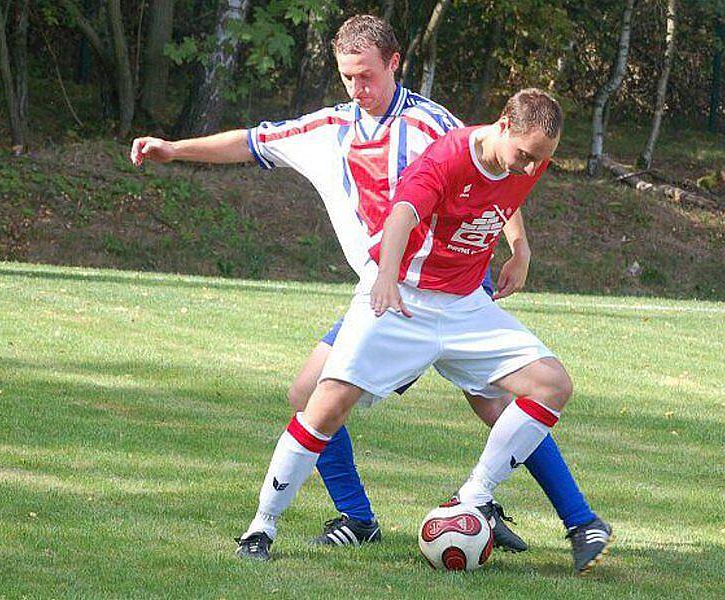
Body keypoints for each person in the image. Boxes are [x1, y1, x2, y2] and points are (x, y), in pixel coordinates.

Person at [132, 15, 607, 572]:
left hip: (453, 287)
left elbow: (502, 171)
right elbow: (250, 141)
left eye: (366, 76)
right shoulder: (329, 128)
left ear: (394, 64)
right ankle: (356, 517)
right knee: (311, 395)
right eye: (347, 76)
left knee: (501, 402)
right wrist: (174, 149)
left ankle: (560, 516)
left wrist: (517, 245)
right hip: (387, 294)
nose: (357, 88)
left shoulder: (434, 126)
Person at [235, 87, 612, 574]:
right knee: (320, 405)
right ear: (502, 125)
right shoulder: (448, 156)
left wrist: (520, 249)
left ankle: (474, 497)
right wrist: (387, 277)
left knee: (552, 385)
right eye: (524, 155)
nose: (528, 167)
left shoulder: (527, 159)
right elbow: (402, 215)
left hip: (465, 307)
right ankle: (261, 527)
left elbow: (507, 195)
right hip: (402, 300)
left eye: (540, 160)